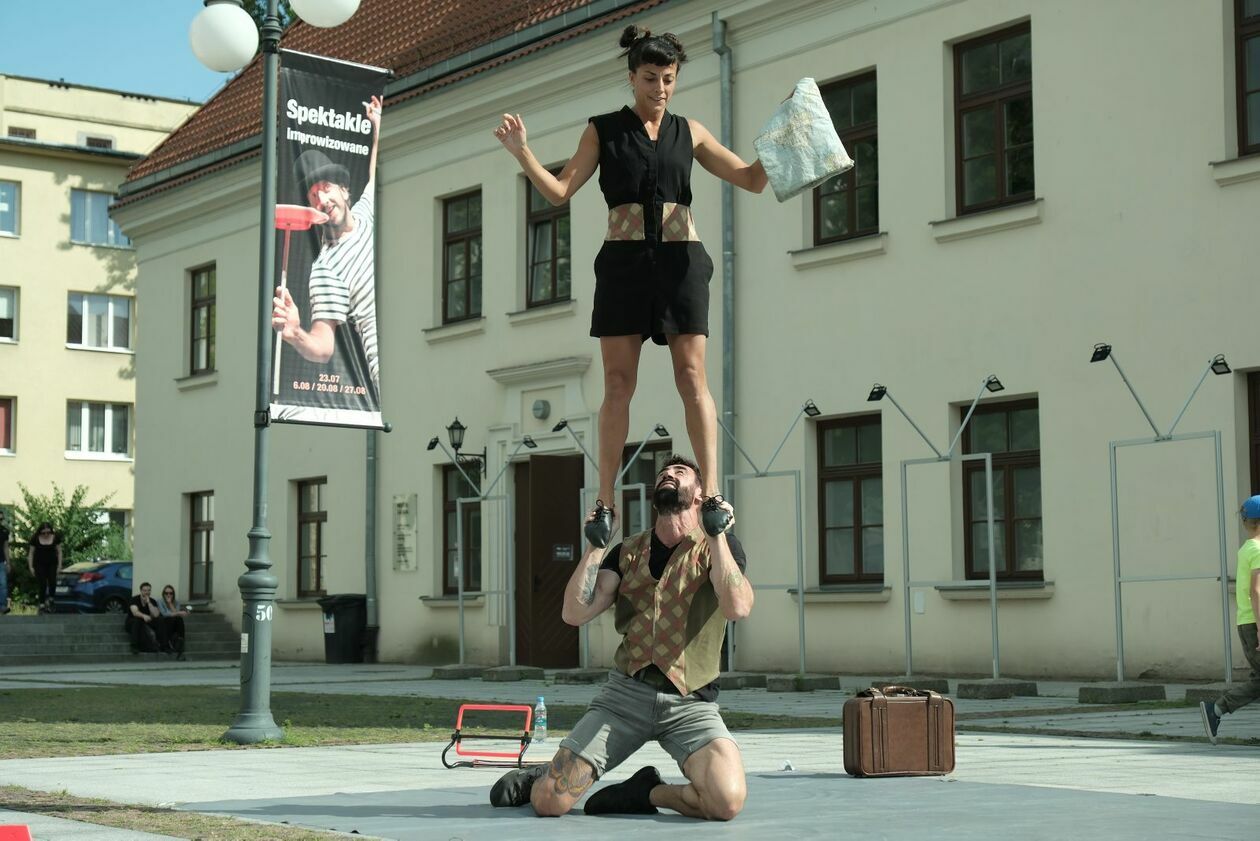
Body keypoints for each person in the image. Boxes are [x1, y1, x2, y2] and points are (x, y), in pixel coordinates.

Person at [493, 26, 767, 548]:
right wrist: (522, 152)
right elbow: (557, 191)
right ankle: (604, 502)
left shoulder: (693, 132)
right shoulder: (603, 130)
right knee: (618, 386)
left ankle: (711, 494)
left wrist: (786, 142)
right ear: (631, 77)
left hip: (682, 262)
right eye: (649, 78)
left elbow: (752, 179)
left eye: (668, 79)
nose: (659, 89)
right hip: (622, 266)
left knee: (692, 377)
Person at [490, 454, 753, 821]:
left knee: (726, 802)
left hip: (691, 702)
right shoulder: (627, 552)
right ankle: (541, 775)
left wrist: (717, 535)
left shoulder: (717, 550)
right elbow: (574, 613)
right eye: (663, 473)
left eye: (679, 473)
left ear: (699, 496)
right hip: (626, 697)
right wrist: (596, 545)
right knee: (550, 802)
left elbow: (738, 607)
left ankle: (648, 792)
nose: (668, 475)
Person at [273, 95, 383, 393]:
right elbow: (323, 346)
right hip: (385, 370)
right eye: (313, 195)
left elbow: (374, 173)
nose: (322, 199)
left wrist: (377, 128)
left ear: (345, 191)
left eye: (326, 188)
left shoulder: (365, 212)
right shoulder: (325, 268)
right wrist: (295, 332)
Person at [1201, 495, 1260, 744]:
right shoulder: (1257, 549)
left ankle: (1216, 711)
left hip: (1247, 621)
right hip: (1254, 623)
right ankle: (1217, 709)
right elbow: (1256, 590)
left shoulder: (1247, 548)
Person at [26, 522, 62, 611]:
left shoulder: (55, 537)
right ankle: (42, 603)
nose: (46, 534)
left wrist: (60, 565)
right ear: (40, 532)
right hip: (39, 564)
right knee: (42, 583)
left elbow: (59, 552)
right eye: (43, 533)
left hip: (52, 563)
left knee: (52, 581)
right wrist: (31, 567)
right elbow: (31, 553)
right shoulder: (35, 538)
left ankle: (51, 598)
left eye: (48, 532)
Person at [125, 581, 164, 654]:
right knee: (137, 621)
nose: (147, 592)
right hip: (132, 622)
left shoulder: (152, 601)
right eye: (145, 590)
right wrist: (143, 616)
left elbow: (155, 614)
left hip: (147, 621)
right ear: (141, 591)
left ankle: (163, 645)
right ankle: (134, 646)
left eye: (149, 590)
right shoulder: (134, 599)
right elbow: (135, 612)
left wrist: (149, 603)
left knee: (160, 620)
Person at [157, 585, 190, 661]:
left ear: (173, 594)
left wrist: (170, 604)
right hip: (165, 622)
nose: (168, 595)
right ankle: (173, 644)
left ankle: (180, 643)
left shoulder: (176, 602)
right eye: (166, 593)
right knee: (174, 618)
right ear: (163, 594)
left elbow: (176, 613)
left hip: (174, 623)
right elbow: (164, 614)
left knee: (179, 619)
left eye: (171, 593)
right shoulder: (160, 601)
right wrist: (178, 613)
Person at [0, 511, 11, 615]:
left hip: (0, 561)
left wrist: (8, 563)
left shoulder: (4, 531)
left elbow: (6, 547)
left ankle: (2, 606)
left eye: (1, 519)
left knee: (3, 584)